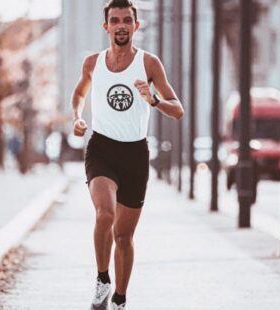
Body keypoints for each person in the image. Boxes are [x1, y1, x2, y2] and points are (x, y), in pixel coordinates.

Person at [71, 1, 184, 308]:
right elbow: (80, 92)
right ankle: (102, 279)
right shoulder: (93, 63)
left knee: (123, 236)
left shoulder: (149, 64)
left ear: (137, 26)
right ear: (106, 26)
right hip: (102, 148)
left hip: (135, 154)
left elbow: (178, 110)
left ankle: (120, 299)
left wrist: (154, 99)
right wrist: (78, 117)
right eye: (115, 20)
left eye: (126, 20)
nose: (121, 25)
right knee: (104, 213)